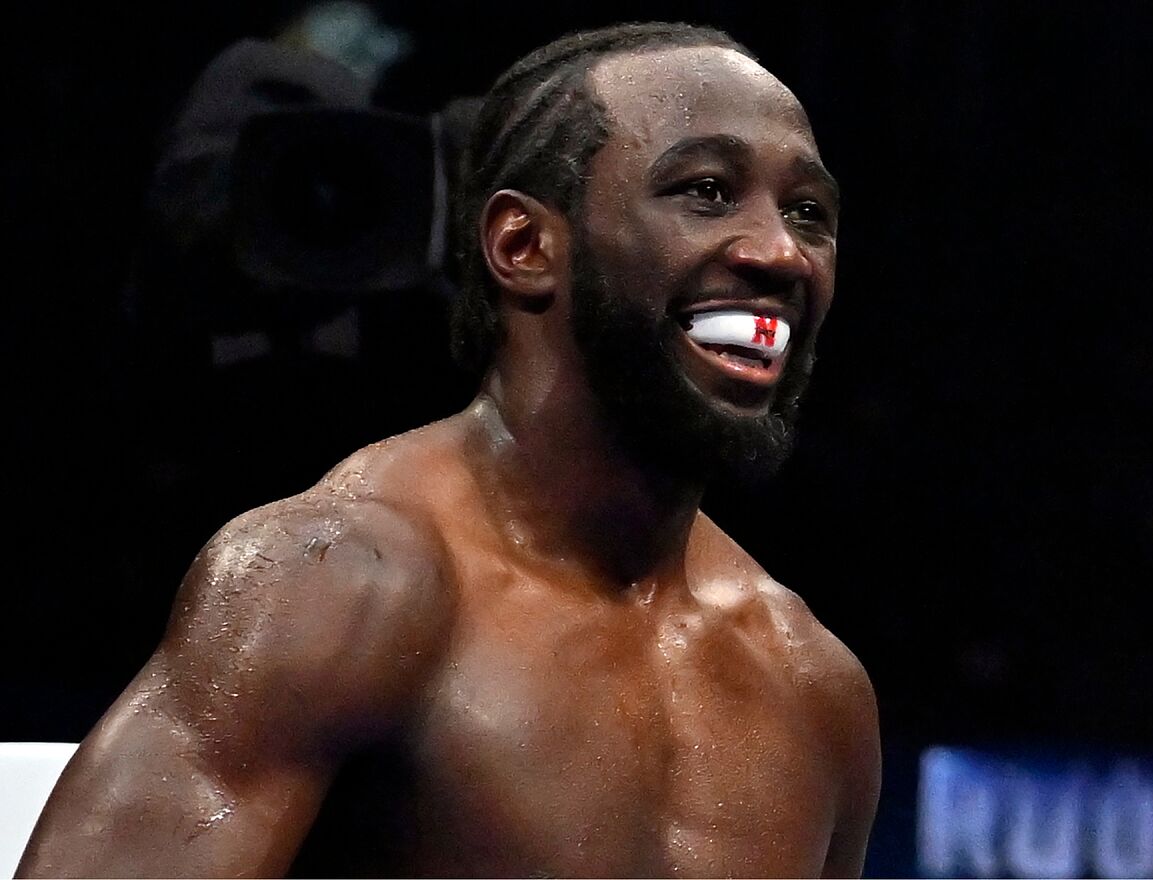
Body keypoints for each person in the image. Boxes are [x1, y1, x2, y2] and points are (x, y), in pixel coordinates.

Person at [18, 22, 880, 878]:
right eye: (704, 190)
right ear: (523, 246)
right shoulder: (334, 587)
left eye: (810, 212)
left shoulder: (814, 688)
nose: (780, 251)